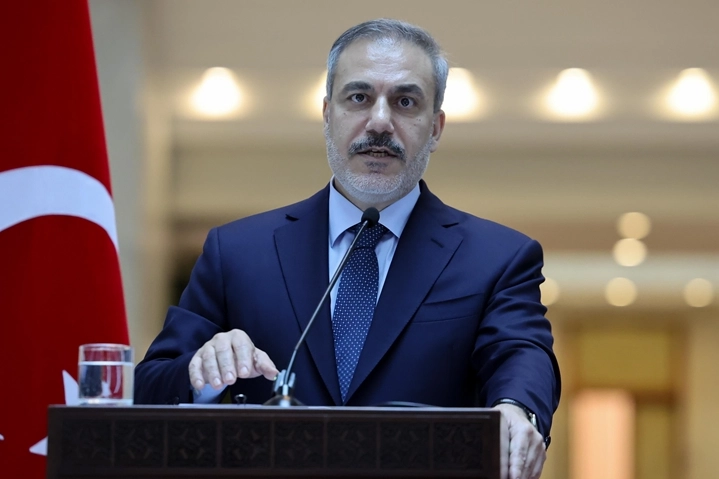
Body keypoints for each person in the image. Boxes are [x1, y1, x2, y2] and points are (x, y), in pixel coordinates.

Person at [135, 18, 560, 479]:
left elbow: (521, 352)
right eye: (358, 97)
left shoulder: (497, 258)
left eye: (405, 102)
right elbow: (149, 385)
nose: (379, 122)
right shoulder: (236, 251)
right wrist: (201, 373)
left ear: (436, 128)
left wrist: (516, 408)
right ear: (327, 114)